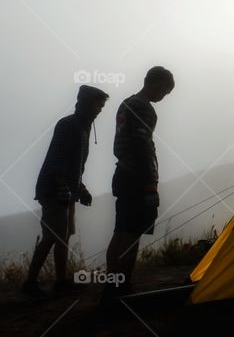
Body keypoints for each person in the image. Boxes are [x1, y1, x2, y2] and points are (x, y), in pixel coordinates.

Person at [21, 84, 109, 297]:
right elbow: (58, 161)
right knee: (52, 235)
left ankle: (61, 281)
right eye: (99, 105)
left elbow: (74, 165)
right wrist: (66, 189)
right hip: (54, 189)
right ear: (88, 104)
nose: (100, 110)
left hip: (66, 189)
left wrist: (80, 189)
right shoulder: (68, 125)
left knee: (63, 235)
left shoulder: (83, 127)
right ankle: (29, 284)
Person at [103, 66, 174, 300]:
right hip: (137, 177)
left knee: (120, 230)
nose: (163, 97)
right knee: (132, 233)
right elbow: (141, 145)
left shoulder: (126, 104)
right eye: (164, 91)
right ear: (154, 83)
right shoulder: (144, 108)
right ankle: (123, 288)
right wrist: (149, 184)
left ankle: (112, 284)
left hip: (122, 173)